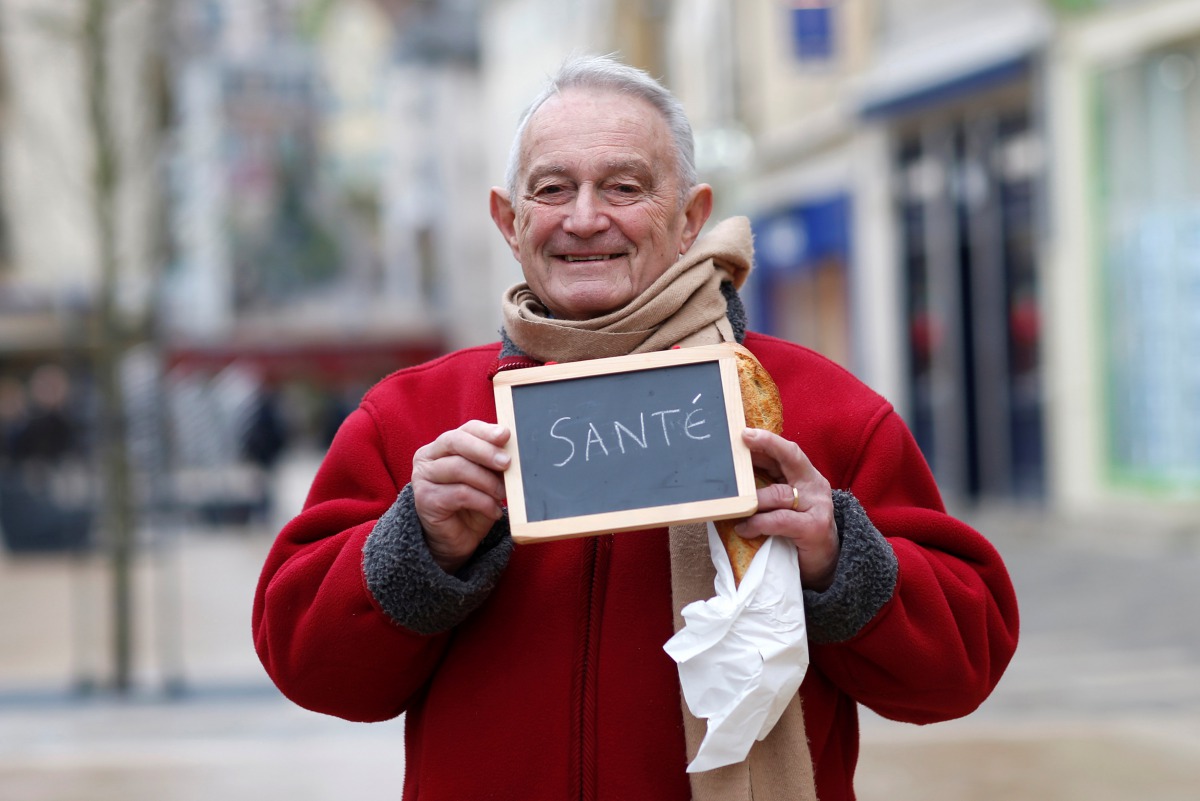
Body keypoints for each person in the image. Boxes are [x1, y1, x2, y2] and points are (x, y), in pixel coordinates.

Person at [253, 55, 1019, 801]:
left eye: (624, 187)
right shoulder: (412, 419)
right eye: (553, 189)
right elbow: (310, 667)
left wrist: (837, 557)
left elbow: (960, 667)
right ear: (508, 219)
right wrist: (417, 547)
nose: (586, 219)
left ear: (690, 218)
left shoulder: (821, 411)